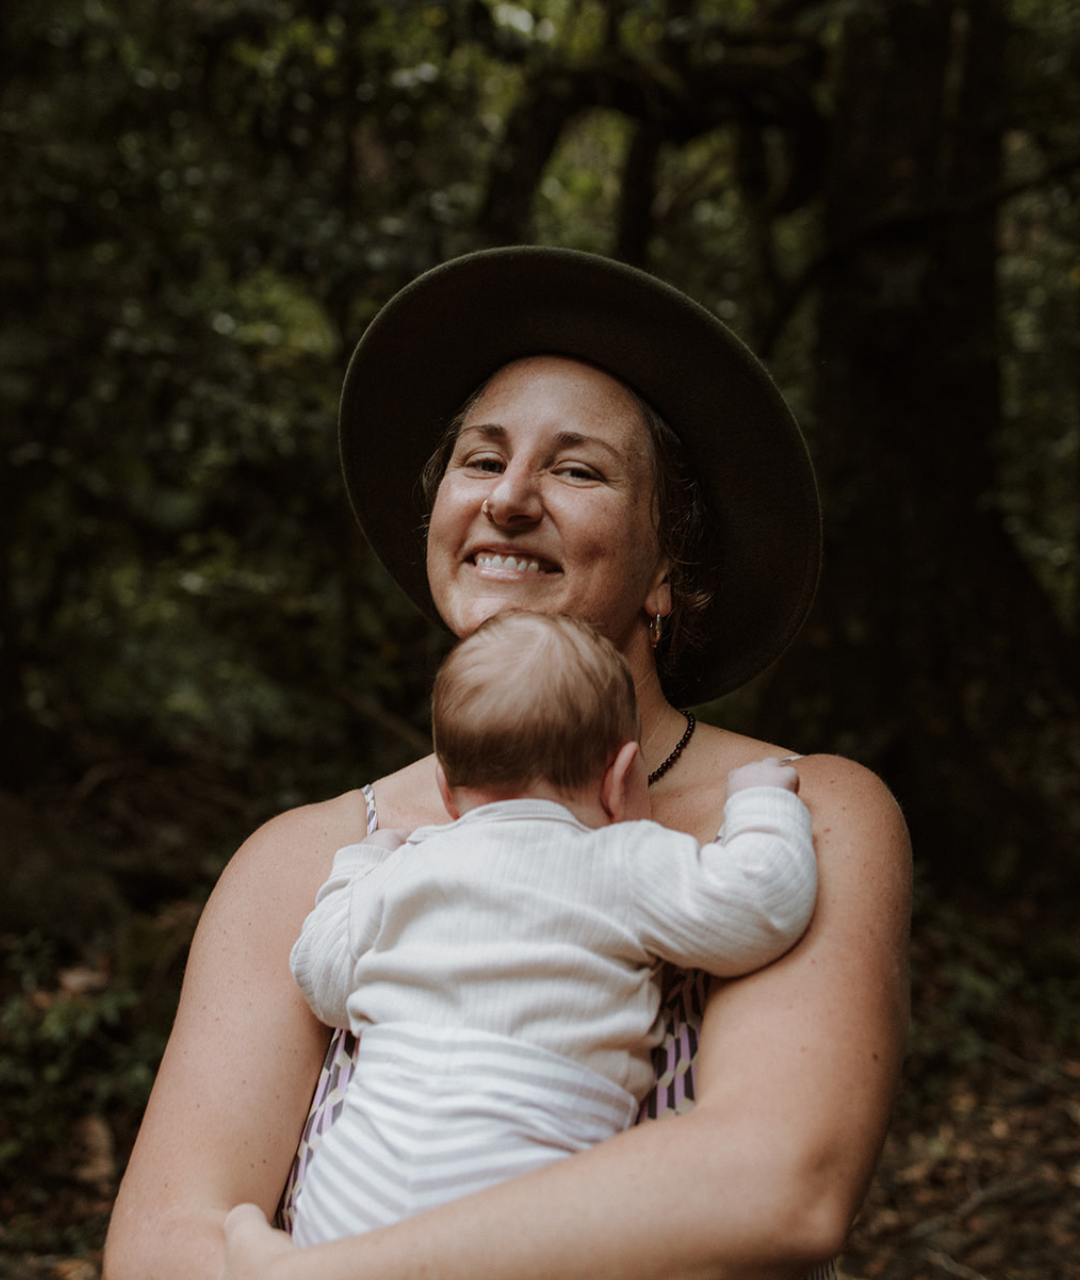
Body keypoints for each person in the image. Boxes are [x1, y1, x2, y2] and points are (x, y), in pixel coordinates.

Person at [103, 245, 911, 1280]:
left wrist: (333, 1273)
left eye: (576, 469)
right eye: (481, 460)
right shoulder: (305, 859)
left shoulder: (802, 812)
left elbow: (775, 1183)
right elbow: (167, 1244)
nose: (510, 497)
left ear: (670, 567)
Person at [289, 610, 817, 1245]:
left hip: (348, 1206)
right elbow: (759, 905)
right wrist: (762, 801)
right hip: (518, 1201)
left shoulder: (405, 871)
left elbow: (320, 974)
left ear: (446, 791)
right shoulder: (623, 860)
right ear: (621, 778)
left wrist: (361, 864)